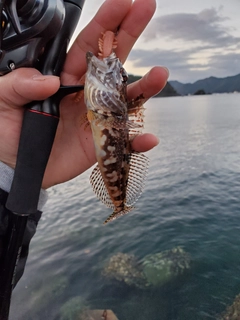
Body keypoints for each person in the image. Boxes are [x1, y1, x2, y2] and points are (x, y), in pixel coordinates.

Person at [0, 0, 169, 285]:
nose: (115, 79)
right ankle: (120, 204)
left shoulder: (106, 104)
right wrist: (9, 169)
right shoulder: (101, 99)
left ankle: (119, 204)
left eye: (121, 80)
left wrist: (9, 175)